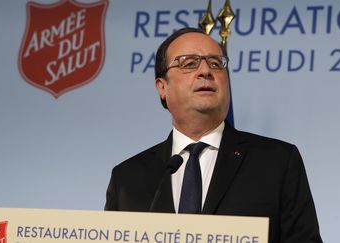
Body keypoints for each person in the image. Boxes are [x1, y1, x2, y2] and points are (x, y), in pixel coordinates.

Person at [105, 27, 323, 243]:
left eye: (216, 64)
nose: (205, 71)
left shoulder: (277, 162)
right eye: (189, 63)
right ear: (162, 87)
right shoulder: (126, 179)